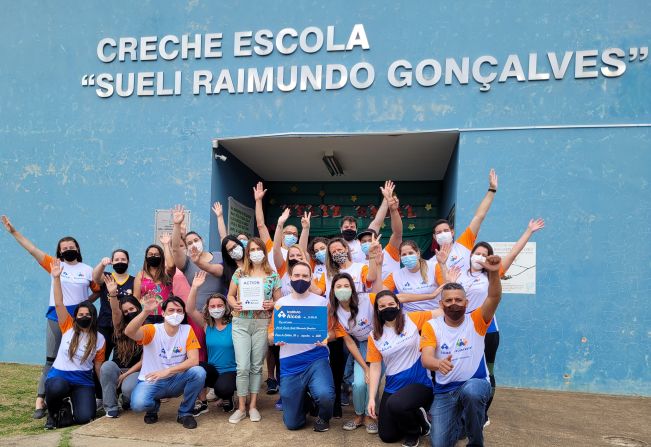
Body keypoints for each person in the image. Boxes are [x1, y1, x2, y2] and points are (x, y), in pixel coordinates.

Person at [2, 215, 100, 419]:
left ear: (78, 249)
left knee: (80, 358)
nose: (67, 250)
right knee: (51, 359)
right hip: (58, 315)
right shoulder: (54, 264)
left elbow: (98, 290)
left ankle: (78, 397)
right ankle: (41, 400)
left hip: (81, 318)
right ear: (59, 252)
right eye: (63, 248)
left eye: (71, 246)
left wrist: (86, 301)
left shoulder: (88, 270)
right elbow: (32, 249)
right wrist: (13, 232)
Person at [455, 218, 544, 425]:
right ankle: (461, 408)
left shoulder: (492, 275)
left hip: (488, 331)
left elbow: (513, 253)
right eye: (477, 253)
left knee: (487, 371)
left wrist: (529, 231)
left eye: (485, 255)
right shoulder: (458, 274)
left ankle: (483, 413)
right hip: (463, 331)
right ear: (470, 255)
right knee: (463, 369)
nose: (480, 257)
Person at [420, 254, 504, 447]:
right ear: (441, 304)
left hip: (475, 384)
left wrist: (493, 274)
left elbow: (494, 296)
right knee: (439, 444)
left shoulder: (477, 320)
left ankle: (475, 443)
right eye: (448, 301)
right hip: (444, 391)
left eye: (459, 300)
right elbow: (426, 358)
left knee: (472, 393)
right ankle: (459, 423)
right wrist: (437, 363)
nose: (454, 304)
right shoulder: (431, 326)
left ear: (466, 303)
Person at [366, 290, 440, 447]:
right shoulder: (374, 336)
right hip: (394, 386)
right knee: (387, 436)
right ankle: (418, 417)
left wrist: (449, 282)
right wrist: (372, 398)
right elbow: (375, 367)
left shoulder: (412, 319)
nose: (387, 308)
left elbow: (442, 311)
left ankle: (414, 432)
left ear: (398, 305)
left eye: (391, 304)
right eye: (382, 306)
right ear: (377, 310)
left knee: (396, 405)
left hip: (420, 383)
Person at [268, 261, 335, 432]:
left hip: (316, 357)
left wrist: (327, 337)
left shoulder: (321, 302)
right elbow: (270, 336)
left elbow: (333, 332)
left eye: (305, 276)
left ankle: (324, 417)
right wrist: (276, 338)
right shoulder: (281, 303)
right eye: (297, 275)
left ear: (311, 278)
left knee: (325, 396)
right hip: (290, 362)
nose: (301, 279)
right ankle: (305, 401)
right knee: (293, 424)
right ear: (290, 278)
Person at [125, 295, 206, 429]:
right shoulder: (152, 329)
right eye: (171, 310)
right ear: (163, 313)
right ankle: (153, 407)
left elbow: (194, 361)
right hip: (151, 380)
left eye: (179, 311)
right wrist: (145, 311)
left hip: (175, 379)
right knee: (138, 404)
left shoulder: (187, 330)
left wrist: (167, 371)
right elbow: (129, 332)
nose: (175, 314)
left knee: (199, 372)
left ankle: (185, 413)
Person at [44, 259, 105, 429]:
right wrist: (56, 278)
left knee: (85, 417)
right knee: (56, 387)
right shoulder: (67, 326)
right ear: (75, 316)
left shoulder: (99, 338)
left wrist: (106, 392)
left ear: (93, 316)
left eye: (88, 314)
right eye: (80, 314)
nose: (84, 317)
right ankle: (53, 411)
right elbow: (58, 303)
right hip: (60, 375)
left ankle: (71, 404)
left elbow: (98, 367)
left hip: (83, 380)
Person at [226, 237, 281, 423]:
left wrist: (271, 304)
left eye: (259, 249)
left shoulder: (273, 275)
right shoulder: (240, 272)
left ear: (264, 252)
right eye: (252, 249)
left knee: (257, 366)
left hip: (262, 324)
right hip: (241, 322)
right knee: (242, 367)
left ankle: (253, 406)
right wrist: (236, 304)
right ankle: (241, 407)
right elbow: (230, 296)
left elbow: (279, 302)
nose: (255, 252)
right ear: (247, 253)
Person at [185, 271, 237, 416]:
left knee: (223, 389)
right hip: (213, 371)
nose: (216, 308)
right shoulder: (207, 325)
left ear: (226, 307)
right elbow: (189, 310)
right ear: (207, 308)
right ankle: (202, 403)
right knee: (195, 368)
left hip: (231, 371)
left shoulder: (235, 324)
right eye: (212, 306)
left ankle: (227, 397)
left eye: (219, 305)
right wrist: (194, 287)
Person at [432, 169, 498, 270]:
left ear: (452, 232)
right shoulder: (432, 263)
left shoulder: (463, 242)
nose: (443, 234)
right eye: (439, 232)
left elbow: (479, 217)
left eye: (446, 231)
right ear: (435, 237)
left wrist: (492, 190)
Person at [99, 275, 142, 418]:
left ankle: (127, 399)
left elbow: (145, 360)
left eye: (132, 309)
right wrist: (112, 294)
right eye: (126, 311)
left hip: (135, 371)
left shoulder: (147, 329)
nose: (129, 312)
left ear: (138, 308)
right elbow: (115, 311)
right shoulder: (119, 327)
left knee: (128, 388)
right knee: (106, 366)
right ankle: (111, 407)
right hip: (118, 368)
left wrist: (126, 375)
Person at [171, 205, 225, 308]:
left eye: (196, 240)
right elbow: (175, 248)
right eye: (190, 243)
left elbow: (224, 238)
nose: (194, 244)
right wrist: (177, 225)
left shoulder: (219, 256)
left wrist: (220, 217)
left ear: (202, 240)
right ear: (186, 248)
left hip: (222, 309)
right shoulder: (186, 263)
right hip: (199, 311)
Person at [382, 241, 453, 312]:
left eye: (410, 253)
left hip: (434, 313)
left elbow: (448, 290)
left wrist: (443, 264)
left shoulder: (434, 267)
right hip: (410, 316)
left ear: (418, 254)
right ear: (400, 257)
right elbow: (382, 295)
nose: (407, 257)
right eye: (404, 254)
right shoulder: (395, 275)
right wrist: (430, 296)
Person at [253, 181, 308, 271]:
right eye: (289, 233)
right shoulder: (271, 246)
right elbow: (260, 225)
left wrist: (306, 228)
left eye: (295, 234)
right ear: (282, 234)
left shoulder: (298, 254)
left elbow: (303, 248)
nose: (292, 236)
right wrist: (258, 201)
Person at [92, 249, 135, 361]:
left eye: (123, 259)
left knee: (121, 358)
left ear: (128, 262)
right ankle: (98, 379)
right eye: (116, 259)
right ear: (112, 262)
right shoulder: (106, 277)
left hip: (123, 327)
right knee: (100, 358)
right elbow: (95, 277)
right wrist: (102, 264)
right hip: (105, 324)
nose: (120, 262)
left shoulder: (134, 281)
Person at [357, 181, 402, 280]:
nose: (368, 243)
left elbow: (397, 234)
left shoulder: (390, 253)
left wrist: (393, 209)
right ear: (359, 244)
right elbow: (375, 223)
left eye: (370, 240)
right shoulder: (358, 264)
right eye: (364, 241)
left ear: (378, 240)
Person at [133, 243, 175, 319]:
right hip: (146, 316)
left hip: (166, 315)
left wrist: (166, 245)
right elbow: (136, 297)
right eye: (150, 254)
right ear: (146, 257)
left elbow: (171, 265)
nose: (153, 256)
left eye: (156, 254)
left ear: (161, 257)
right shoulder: (140, 274)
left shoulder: (167, 273)